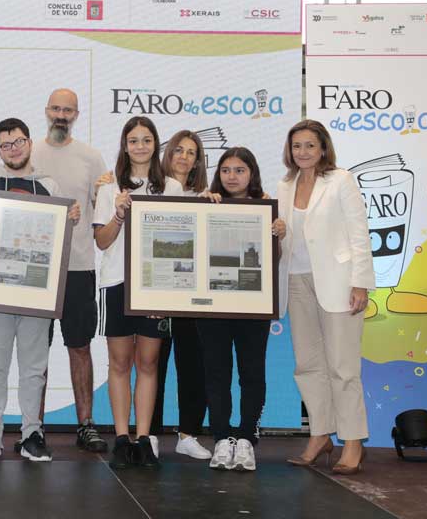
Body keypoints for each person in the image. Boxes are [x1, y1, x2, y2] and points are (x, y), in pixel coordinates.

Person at [0, 118, 81, 463]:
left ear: (30, 143)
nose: (14, 149)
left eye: (18, 142)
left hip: (36, 292)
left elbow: (57, 235)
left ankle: (32, 434)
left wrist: (70, 216)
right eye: (6, 145)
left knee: (34, 368)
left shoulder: (49, 186)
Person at [274, 119, 374, 475]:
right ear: (290, 150)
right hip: (296, 280)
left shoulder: (340, 180)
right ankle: (320, 434)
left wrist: (360, 282)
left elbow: (359, 233)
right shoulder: (284, 185)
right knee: (308, 364)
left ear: (323, 149)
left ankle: (352, 441)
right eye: (297, 146)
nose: (303, 152)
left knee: (343, 367)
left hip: (339, 283)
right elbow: (284, 237)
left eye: (309, 146)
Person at [93, 116, 183, 469]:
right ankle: (120, 438)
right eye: (134, 140)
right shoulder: (109, 187)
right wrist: (118, 213)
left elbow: (183, 240)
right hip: (116, 283)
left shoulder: (172, 189)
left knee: (148, 363)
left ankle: (144, 439)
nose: (140, 146)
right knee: (119, 363)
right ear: (125, 145)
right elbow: (102, 242)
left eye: (147, 140)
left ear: (155, 144)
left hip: (157, 287)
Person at [31, 88, 110, 453]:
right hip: (35, 269)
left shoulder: (91, 158)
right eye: (56, 108)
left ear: (77, 115)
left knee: (79, 347)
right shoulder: (27, 153)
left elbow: (103, 210)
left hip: (79, 267)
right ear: (47, 111)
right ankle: (35, 426)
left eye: (68, 110)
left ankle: (86, 424)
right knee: (36, 352)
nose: (61, 114)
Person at [198, 147, 273, 471]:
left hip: (252, 307)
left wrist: (278, 233)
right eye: (226, 169)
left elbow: (274, 261)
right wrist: (199, 208)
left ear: (251, 173)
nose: (232, 176)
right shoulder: (206, 203)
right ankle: (221, 439)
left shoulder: (267, 209)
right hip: (212, 307)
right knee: (216, 375)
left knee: (251, 373)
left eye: (239, 170)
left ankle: (245, 439)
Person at [154, 130, 212, 460]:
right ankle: (149, 435)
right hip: (157, 292)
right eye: (179, 150)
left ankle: (188, 434)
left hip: (193, 296)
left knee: (194, 366)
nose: (184, 157)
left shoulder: (206, 196)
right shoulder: (151, 189)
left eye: (191, 152)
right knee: (153, 365)